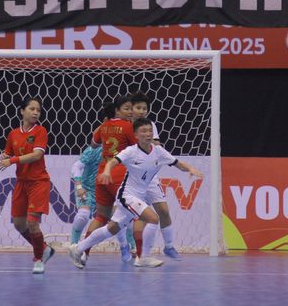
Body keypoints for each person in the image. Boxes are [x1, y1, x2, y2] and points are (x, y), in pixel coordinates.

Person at [69, 117, 204, 269]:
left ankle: (78, 248)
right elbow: (113, 161)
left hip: (138, 196)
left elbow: (178, 163)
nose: (148, 134)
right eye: (143, 131)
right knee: (153, 218)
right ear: (136, 135)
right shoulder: (131, 151)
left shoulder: (158, 151)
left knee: (111, 228)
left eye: (150, 131)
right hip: (127, 196)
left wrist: (191, 169)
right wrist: (107, 171)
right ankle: (144, 257)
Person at [0, 97, 56, 274]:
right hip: (21, 183)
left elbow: (37, 155)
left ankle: (38, 259)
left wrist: (12, 160)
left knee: (32, 223)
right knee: (19, 224)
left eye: (38, 109)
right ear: (22, 111)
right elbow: (7, 153)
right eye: (32, 109)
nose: (36, 112)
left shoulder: (41, 131)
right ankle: (44, 249)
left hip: (38, 182)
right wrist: (5, 157)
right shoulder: (13, 134)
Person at [80, 95, 137, 263]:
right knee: (134, 214)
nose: (131, 112)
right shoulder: (128, 126)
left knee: (101, 217)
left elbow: (93, 144)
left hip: (102, 176)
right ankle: (137, 253)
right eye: (126, 108)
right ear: (117, 110)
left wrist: (106, 126)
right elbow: (139, 149)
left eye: (131, 108)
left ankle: (83, 252)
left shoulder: (103, 126)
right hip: (120, 175)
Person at [129, 91, 181, 263]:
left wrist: (153, 143)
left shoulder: (150, 125)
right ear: (131, 108)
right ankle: (140, 253)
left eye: (144, 108)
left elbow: (156, 145)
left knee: (164, 211)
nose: (142, 111)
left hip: (151, 177)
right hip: (133, 179)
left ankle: (169, 246)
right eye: (138, 107)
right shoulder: (125, 126)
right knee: (140, 218)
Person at [70, 144, 103, 244]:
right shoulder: (94, 149)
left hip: (110, 190)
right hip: (87, 189)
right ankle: (74, 245)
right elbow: (76, 166)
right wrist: (79, 187)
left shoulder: (123, 149)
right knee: (82, 216)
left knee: (124, 219)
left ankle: (130, 248)